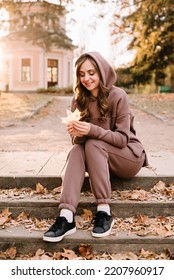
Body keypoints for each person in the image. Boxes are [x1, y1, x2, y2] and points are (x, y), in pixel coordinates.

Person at [43, 51, 148, 242]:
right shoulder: (78, 100)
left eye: (91, 72)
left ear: (101, 71)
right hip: (98, 159)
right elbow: (80, 145)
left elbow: (123, 138)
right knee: (77, 149)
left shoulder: (118, 96)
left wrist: (91, 130)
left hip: (128, 157)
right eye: (82, 74)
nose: (86, 78)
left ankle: (104, 211)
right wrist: (76, 134)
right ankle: (66, 216)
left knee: (94, 143)